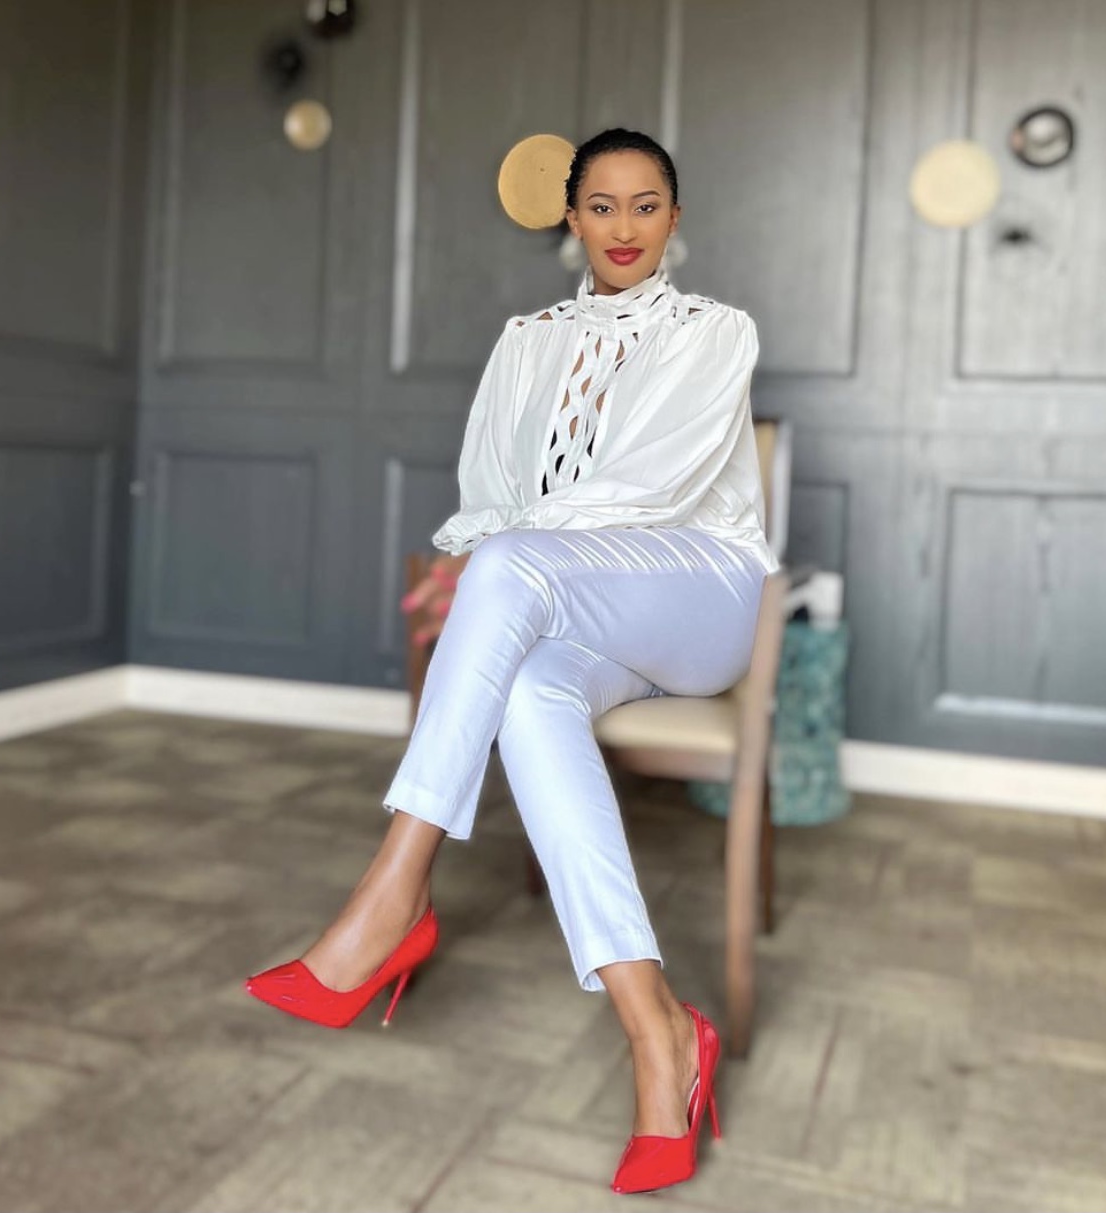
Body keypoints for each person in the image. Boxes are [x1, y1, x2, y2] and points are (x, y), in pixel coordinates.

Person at [244, 128, 778, 1195]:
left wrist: (509, 564)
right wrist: (504, 562)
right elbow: (490, 491)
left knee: (506, 562)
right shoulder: (525, 340)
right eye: (600, 205)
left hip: (697, 593)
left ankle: (395, 889)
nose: (623, 227)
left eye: (645, 205)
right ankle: (659, 1031)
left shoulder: (715, 331)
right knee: (529, 692)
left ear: (675, 218)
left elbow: (648, 488)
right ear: (569, 218)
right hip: (578, 603)